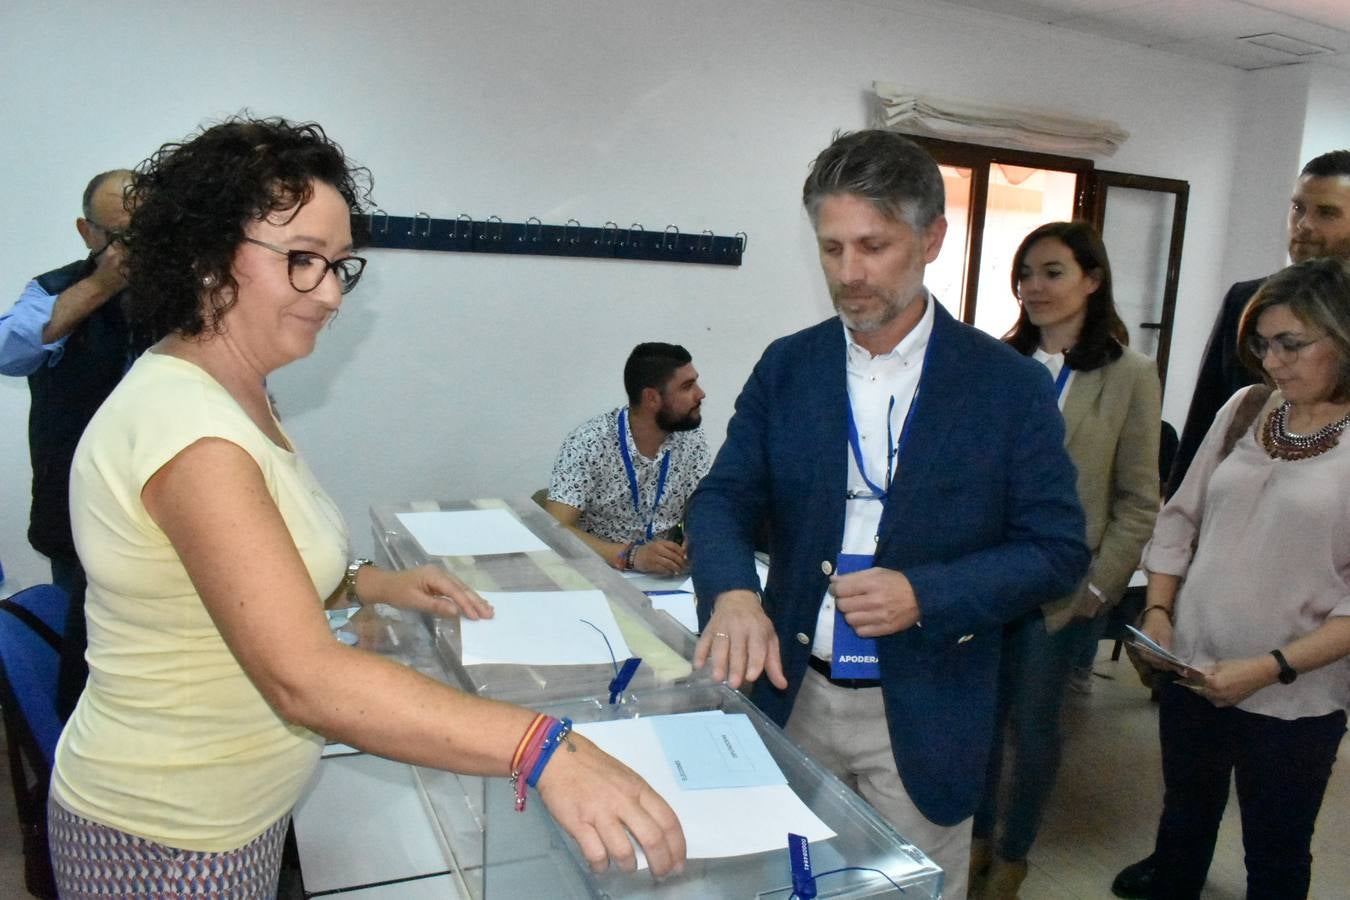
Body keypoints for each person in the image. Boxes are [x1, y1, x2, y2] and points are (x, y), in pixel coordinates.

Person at [47, 117, 684, 896]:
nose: (329, 294)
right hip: (165, 840)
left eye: (339, 266)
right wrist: (543, 747)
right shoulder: (191, 432)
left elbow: (240, 570)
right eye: (301, 262)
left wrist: (370, 583)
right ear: (207, 257)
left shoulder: (232, 391)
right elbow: (304, 680)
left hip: (227, 817)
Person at [686, 129, 1089, 899]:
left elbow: (1056, 548)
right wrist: (733, 591)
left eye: (873, 246)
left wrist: (926, 594)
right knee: (781, 883)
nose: (849, 274)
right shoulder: (789, 365)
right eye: (831, 248)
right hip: (791, 689)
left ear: (932, 238)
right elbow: (723, 498)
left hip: (926, 705)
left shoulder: (1006, 387)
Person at [1118, 258, 1350, 900]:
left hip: (1294, 695)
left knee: (1274, 852)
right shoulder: (1247, 407)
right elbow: (1179, 517)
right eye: (1263, 345)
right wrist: (1159, 612)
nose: (1272, 361)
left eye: (1291, 344)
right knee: (1182, 825)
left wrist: (1269, 666)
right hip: (1191, 669)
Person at [971, 222, 1161, 897]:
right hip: (988, 578)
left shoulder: (1129, 374)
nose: (1033, 287)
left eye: (1052, 271)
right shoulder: (998, 363)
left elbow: (1140, 497)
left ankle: (1014, 855)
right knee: (980, 722)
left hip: (1066, 587)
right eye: (1024, 274)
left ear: (1093, 278)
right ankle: (976, 842)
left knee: (1037, 727)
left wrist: (1100, 588)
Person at [0, 168, 136, 716]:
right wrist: (104, 284)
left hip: (165, 516)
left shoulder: (192, 294)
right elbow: (10, 351)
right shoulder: (57, 288)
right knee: (78, 665)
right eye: (123, 237)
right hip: (76, 514)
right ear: (89, 233)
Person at [1167, 149, 1350, 498]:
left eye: (1326, 212)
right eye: (1298, 208)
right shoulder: (1248, 301)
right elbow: (1205, 422)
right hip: (1236, 507)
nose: (1304, 225)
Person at [544, 342, 709, 575]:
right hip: (597, 575)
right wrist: (630, 555)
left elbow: (701, 508)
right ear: (651, 398)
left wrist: (698, 537)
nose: (700, 394)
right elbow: (553, 529)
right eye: (687, 386)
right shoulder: (589, 442)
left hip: (667, 579)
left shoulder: (691, 438)